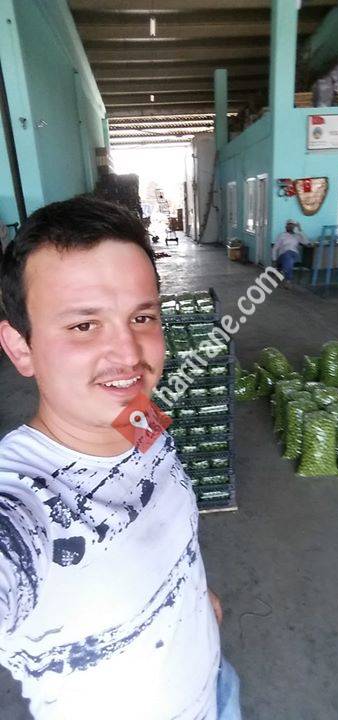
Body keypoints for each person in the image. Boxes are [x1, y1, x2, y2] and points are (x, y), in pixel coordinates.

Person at [0, 196, 241, 720]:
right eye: (84, 325)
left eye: (142, 317)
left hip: (218, 688)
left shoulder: (139, 418)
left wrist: (193, 595)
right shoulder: (21, 503)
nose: (130, 354)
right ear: (20, 347)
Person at [272, 219, 311, 288]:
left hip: (294, 255)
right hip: (282, 255)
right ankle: (287, 279)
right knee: (288, 257)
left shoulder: (297, 236)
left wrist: (300, 230)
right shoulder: (282, 235)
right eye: (289, 225)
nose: (290, 227)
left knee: (289, 256)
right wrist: (274, 260)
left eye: (292, 225)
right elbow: (275, 248)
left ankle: (285, 276)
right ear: (286, 226)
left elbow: (307, 242)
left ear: (294, 227)